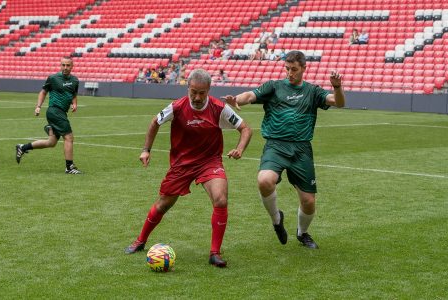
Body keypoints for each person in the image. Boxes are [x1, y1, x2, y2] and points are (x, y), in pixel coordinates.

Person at [124, 69, 252, 268]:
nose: (197, 97)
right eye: (193, 92)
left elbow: (245, 128)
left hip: (209, 162)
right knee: (163, 204)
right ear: (188, 88)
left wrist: (240, 148)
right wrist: (145, 150)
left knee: (221, 198)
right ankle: (140, 241)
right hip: (182, 163)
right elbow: (154, 122)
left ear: (209, 90)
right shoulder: (177, 107)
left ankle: (215, 253)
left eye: (202, 93)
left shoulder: (219, 108)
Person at [222, 50, 345, 249]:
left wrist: (337, 87)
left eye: (294, 69)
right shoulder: (274, 86)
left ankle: (302, 233)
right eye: (287, 69)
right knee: (264, 180)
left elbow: (338, 102)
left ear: (304, 68)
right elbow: (250, 95)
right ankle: (276, 219)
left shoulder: (312, 91)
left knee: (308, 202)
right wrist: (237, 100)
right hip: (276, 146)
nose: (290, 73)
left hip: (301, 149)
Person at [15, 57, 82, 174]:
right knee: (69, 137)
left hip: (62, 112)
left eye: (68, 65)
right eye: (63, 65)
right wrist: (38, 106)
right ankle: (69, 167)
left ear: (72, 66)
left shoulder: (75, 80)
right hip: (55, 111)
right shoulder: (53, 78)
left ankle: (23, 147)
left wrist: (74, 104)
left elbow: (74, 94)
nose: (65, 68)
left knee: (51, 142)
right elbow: (43, 92)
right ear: (60, 65)